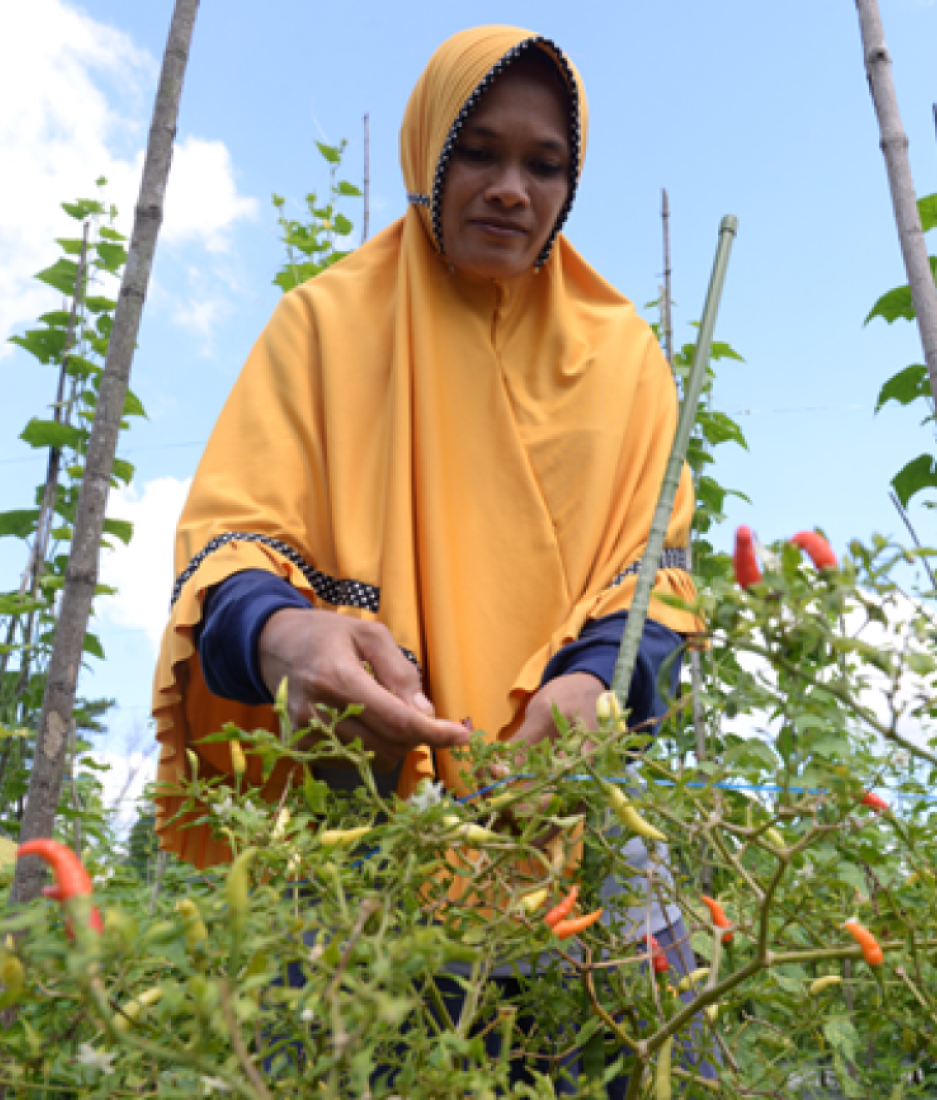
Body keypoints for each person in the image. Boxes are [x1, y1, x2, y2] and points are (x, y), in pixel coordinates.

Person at [150, 24, 713, 1093]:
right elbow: (229, 546)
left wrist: (600, 683)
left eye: (543, 164)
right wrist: (290, 633)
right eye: (479, 151)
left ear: (571, 181)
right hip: (366, 834)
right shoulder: (324, 327)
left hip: (570, 832)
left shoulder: (628, 359)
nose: (511, 188)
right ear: (427, 153)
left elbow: (658, 580)